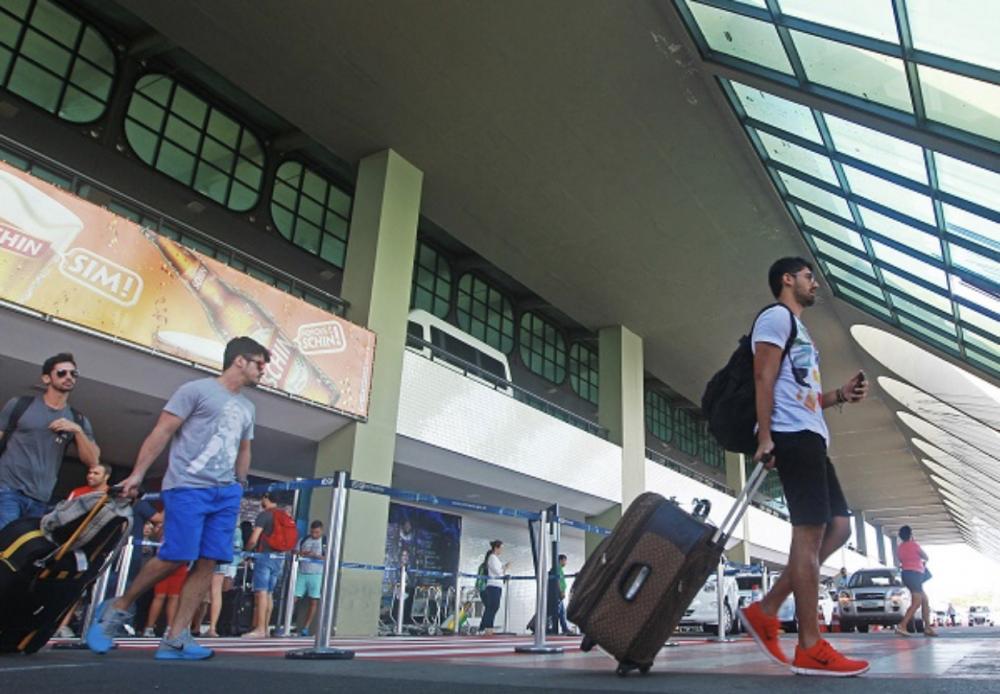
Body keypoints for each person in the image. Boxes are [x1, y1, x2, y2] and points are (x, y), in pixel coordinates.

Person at [85, 336, 268, 660]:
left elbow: (244, 448)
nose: (263, 370)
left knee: (209, 561)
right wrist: (138, 474)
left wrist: (239, 485)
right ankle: (118, 608)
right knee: (176, 554)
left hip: (225, 493)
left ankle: (176, 637)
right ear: (240, 360)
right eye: (260, 363)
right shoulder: (195, 390)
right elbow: (162, 432)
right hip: (187, 486)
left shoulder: (248, 407)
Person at [738, 257, 870, 677]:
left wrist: (839, 394)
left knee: (840, 527)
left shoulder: (800, 329)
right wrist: (764, 438)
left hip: (811, 433)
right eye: (809, 277)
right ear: (787, 279)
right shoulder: (776, 317)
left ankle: (770, 607)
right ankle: (809, 645)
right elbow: (763, 375)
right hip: (792, 436)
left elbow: (802, 392)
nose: (815, 283)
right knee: (809, 536)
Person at [0, 352, 101, 530]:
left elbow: (93, 461)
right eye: (62, 373)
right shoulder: (21, 404)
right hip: (7, 489)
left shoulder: (77, 420)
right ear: (47, 378)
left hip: (41, 498)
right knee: (5, 540)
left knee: (21, 553)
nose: (68, 377)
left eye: (73, 373)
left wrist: (77, 430)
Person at [242, 492, 286, 638]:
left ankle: (260, 629)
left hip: (264, 556)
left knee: (261, 592)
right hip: (279, 557)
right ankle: (266, 628)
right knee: (269, 593)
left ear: (267, 498)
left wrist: (247, 552)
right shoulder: (284, 516)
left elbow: (254, 539)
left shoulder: (265, 515)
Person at [894, 525, 937, 638]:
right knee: (917, 602)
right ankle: (902, 626)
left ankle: (927, 627)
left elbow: (901, 559)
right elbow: (926, 557)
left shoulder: (900, 548)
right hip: (915, 574)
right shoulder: (914, 545)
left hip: (906, 574)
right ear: (911, 534)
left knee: (925, 600)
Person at [207, 523, 244, 637]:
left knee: (199, 590)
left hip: (207, 555)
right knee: (217, 592)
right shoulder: (233, 527)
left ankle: (189, 626)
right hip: (224, 557)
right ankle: (213, 627)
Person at [294, 520, 325, 637]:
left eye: (317, 533)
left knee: (313, 601)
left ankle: (306, 627)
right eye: (312, 532)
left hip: (316, 574)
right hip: (302, 572)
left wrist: (317, 556)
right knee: (294, 597)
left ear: (321, 531)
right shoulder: (304, 539)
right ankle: (287, 622)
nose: (314, 535)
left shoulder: (325, 542)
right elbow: (295, 552)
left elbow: (329, 557)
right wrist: (302, 553)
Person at [479, 540, 508, 635]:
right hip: (493, 585)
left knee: (494, 607)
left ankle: (487, 627)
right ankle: (487, 627)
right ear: (496, 548)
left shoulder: (495, 558)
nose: (502, 551)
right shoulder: (492, 558)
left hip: (497, 585)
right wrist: (505, 568)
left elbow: (499, 572)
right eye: (501, 548)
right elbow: (497, 572)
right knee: (492, 607)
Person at [556, 554, 572, 635]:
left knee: (562, 612)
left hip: (560, 594)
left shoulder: (560, 569)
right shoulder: (558, 569)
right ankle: (565, 629)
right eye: (565, 560)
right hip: (558, 594)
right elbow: (558, 581)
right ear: (561, 560)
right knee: (560, 612)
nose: (566, 562)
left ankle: (565, 628)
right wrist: (561, 592)